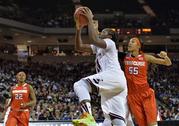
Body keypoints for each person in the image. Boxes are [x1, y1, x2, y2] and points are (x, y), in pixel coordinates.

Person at [73, 7, 133, 126]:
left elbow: (93, 38)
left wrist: (90, 20)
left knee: (80, 84)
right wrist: (78, 29)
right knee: (114, 120)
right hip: (115, 85)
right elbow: (79, 47)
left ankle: (87, 116)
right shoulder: (98, 47)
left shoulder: (110, 43)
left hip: (113, 76)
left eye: (104, 32)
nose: (101, 32)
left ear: (110, 36)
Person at [118, 37, 172, 126]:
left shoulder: (145, 57)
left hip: (145, 94)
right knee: (142, 124)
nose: (129, 43)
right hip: (132, 96)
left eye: (132, 42)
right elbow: (109, 50)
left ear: (138, 46)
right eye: (129, 42)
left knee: (152, 124)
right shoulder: (125, 56)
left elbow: (168, 63)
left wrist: (165, 56)